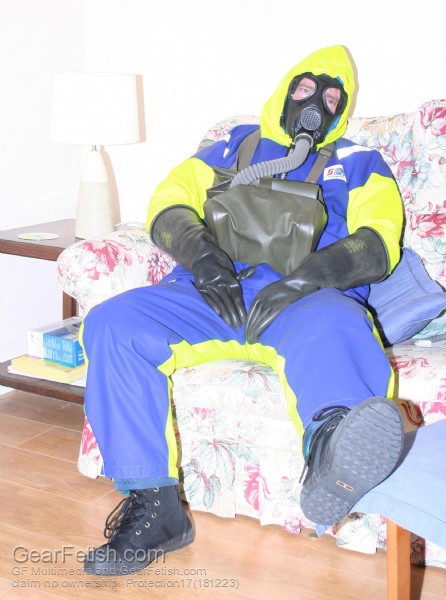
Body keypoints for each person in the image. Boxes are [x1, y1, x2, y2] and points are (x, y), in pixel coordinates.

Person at [81, 45, 405, 576]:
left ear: (341, 111)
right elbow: (167, 203)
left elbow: (380, 242)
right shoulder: (232, 146)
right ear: (284, 91)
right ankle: (155, 508)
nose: (315, 104)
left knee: (342, 327)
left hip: (305, 302)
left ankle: (334, 452)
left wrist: (310, 277)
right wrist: (202, 257)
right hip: (212, 292)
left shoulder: (359, 162)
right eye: (306, 88)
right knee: (113, 324)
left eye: (330, 98)